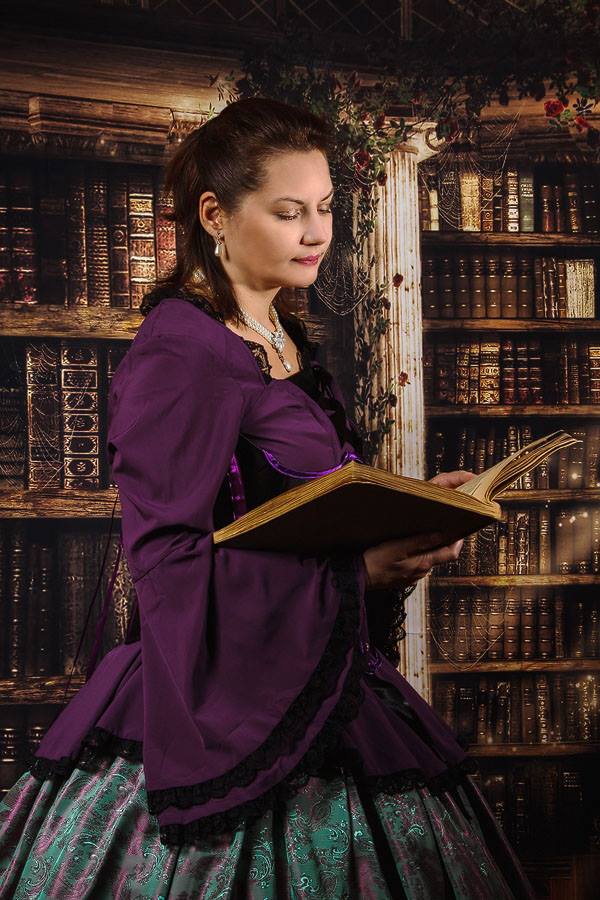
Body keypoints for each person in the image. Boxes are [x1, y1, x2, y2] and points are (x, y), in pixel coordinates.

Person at [0, 97, 536, 899]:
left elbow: (302, 509)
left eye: (325, 208)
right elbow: (168, 568)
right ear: (215, 216)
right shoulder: (181, 354)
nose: (317, 233)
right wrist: (356, 574)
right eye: (289, 213)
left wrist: (412, 509)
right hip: (215, 708)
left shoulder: (283, 340)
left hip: (319, 678)